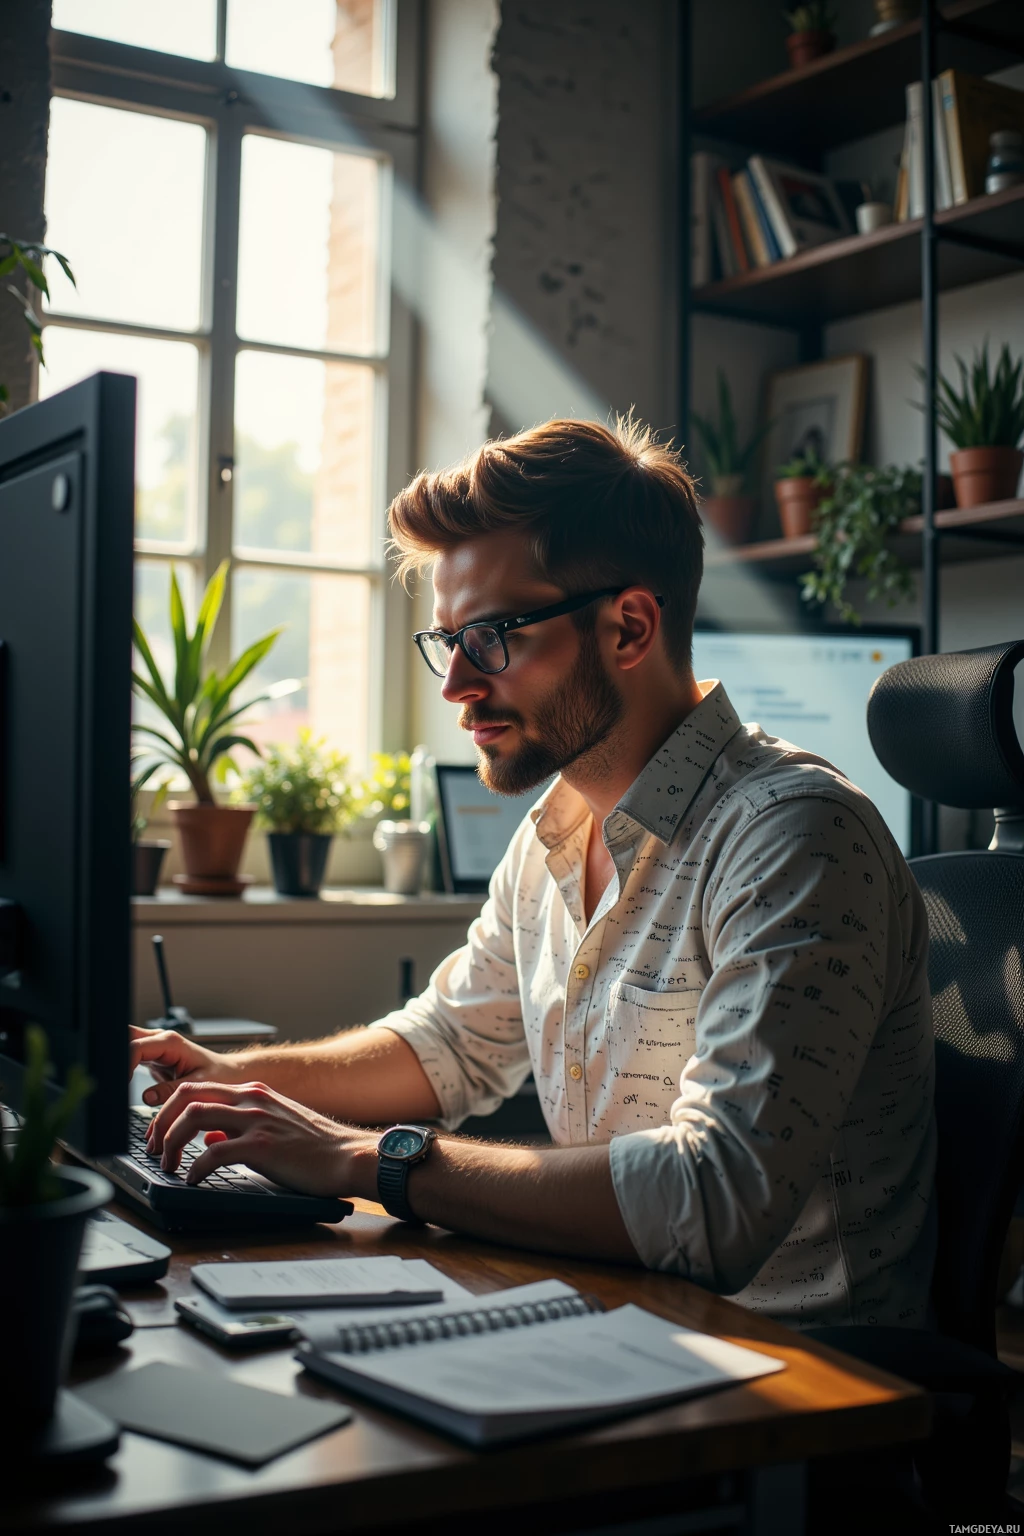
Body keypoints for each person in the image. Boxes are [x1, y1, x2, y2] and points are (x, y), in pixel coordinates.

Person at [134, 417, 936, 1330]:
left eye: (493, 637)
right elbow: (448, 1045)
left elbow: (716, 1202)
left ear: (628, 626)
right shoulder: (553, 832)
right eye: (448, 641)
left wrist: (367, 1161)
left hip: (800, 1393)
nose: (455, 687)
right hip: (613, 1321)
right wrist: (233, 1083)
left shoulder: (794, 836)